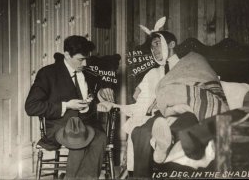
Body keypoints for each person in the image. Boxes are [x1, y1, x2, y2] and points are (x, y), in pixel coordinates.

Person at [99, 18, 229, 178]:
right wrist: (114, 106)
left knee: (185, 122)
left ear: (172, 44)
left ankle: (167, 143)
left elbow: (206, 88)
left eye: (156, 44)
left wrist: (168, 97)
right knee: (139, 132)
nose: (154, 50)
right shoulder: (152, 74)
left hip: (189, 111)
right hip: (160, 116)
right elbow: (140, 107)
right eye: (151, 47)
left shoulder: (192, 63)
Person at [25, 35, 109, 179]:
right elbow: (31, 107)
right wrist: (66, 105)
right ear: (67, 55)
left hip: (87, 124)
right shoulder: (48, 74)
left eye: (86, 59)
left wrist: (95, 101)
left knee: (100, 138)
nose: (84, 63)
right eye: (80, 59)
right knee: (79, 139)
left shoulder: (87, 73)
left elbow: (94, 94)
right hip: (60, 126)